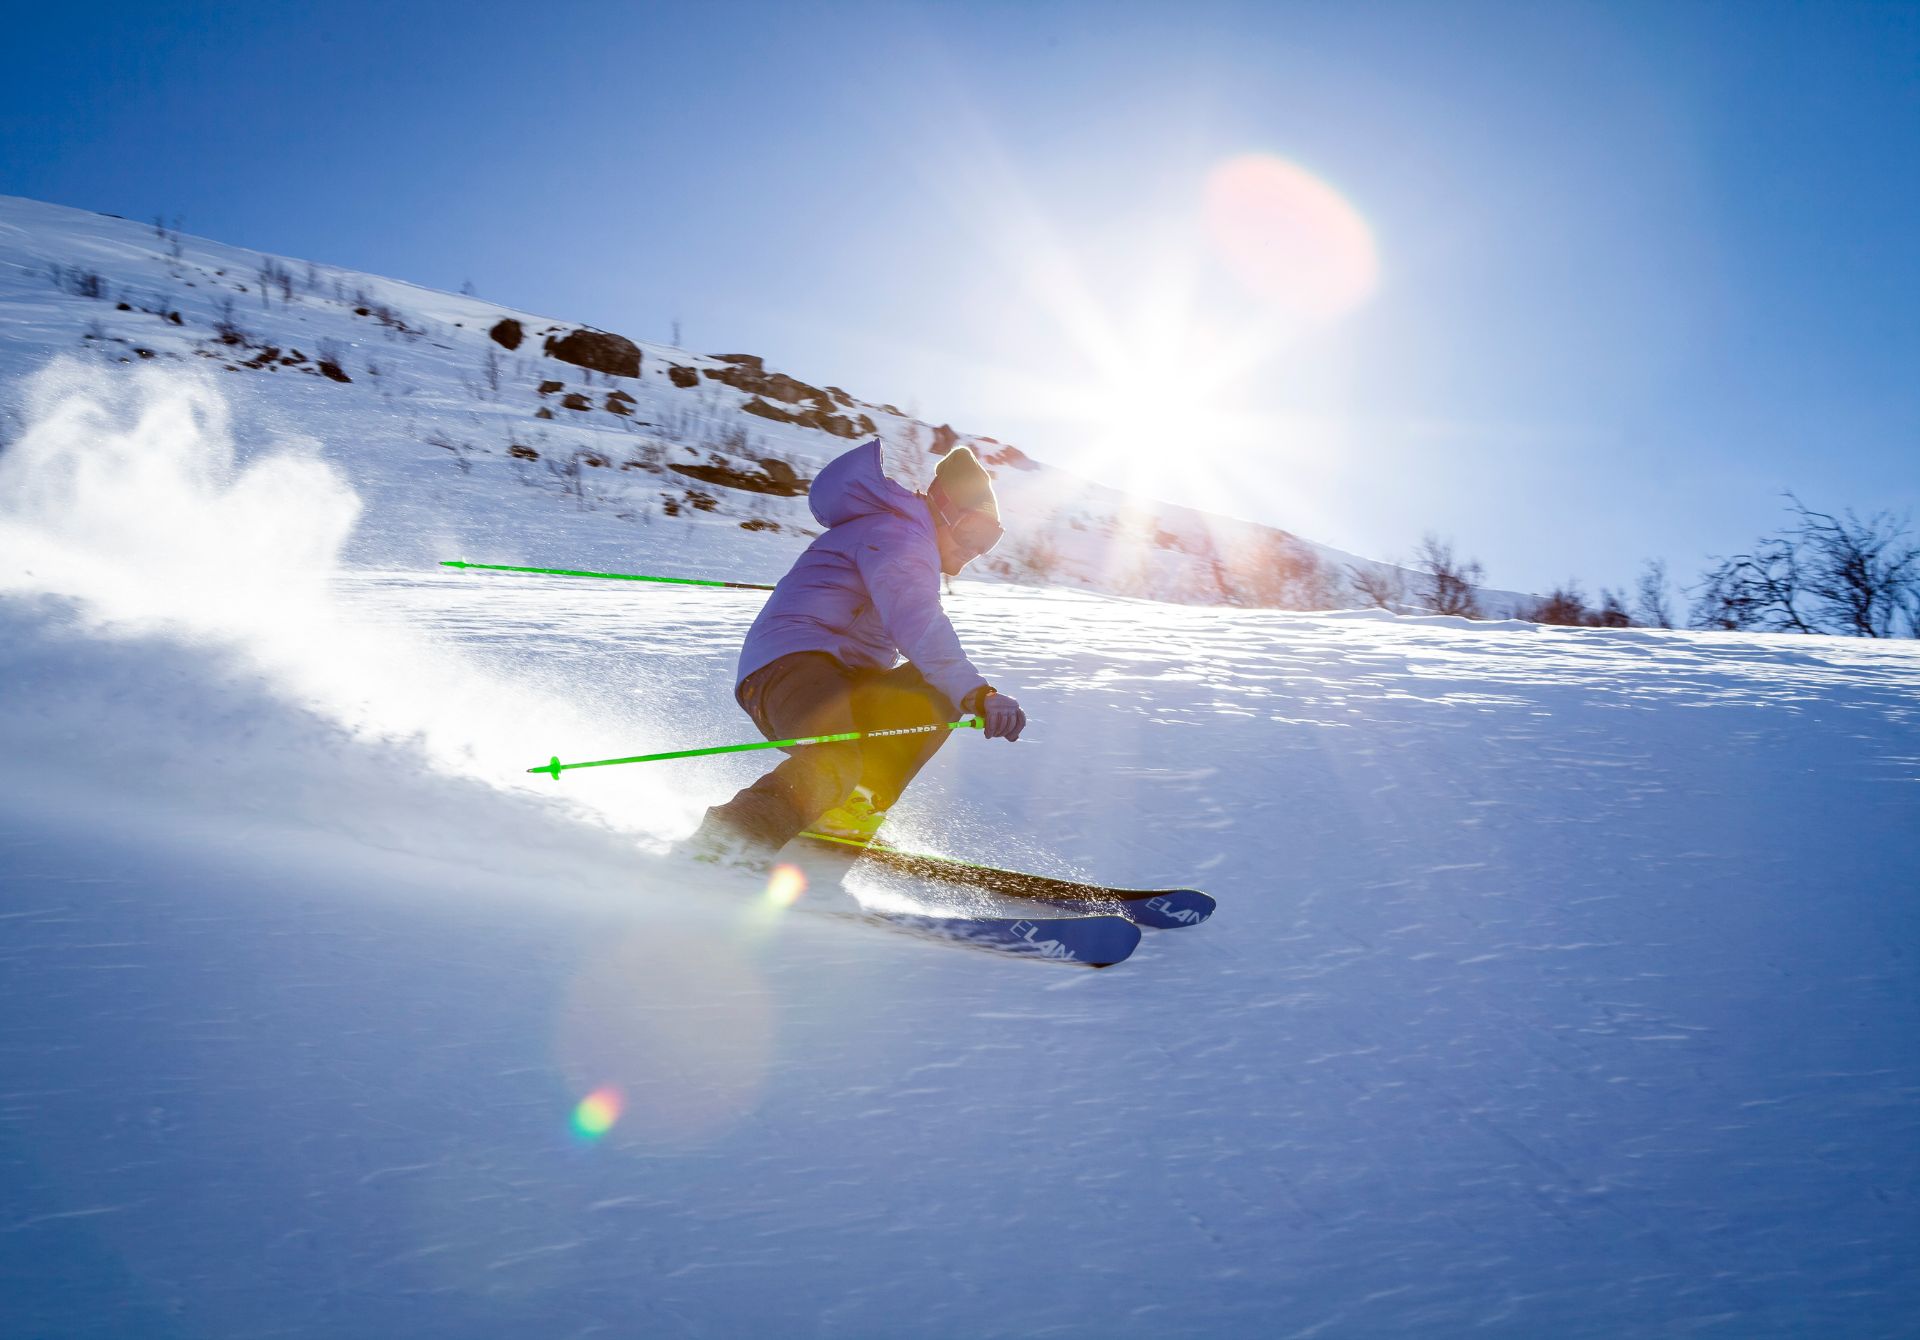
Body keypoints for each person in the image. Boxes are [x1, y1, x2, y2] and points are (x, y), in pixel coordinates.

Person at [681, 438, 1025, 866]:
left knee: (929, 689)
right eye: (973, 533)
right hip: (788, 669)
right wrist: (977, 692)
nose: (975, 551)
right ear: (944, 510)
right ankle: (727, 843)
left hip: (839, 678)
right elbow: (917, 620)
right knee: (839, 755)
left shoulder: (904, 537)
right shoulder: (899, 534)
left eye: (989, 542)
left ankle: (843, 817)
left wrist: (963, 691)